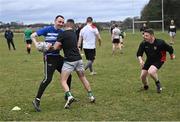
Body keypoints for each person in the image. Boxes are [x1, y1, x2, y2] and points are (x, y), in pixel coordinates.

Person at [49, 19, 95, 109]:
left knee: (63, 80)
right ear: (72, 26)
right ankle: (91, 96)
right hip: (79, 60)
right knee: (83, 78)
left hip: (69, 61)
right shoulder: (74, 33)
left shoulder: (62, 34)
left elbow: (55, 47)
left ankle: (69, 96)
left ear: (66, 25)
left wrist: (46, 47)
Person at [31, 15, 72, 112]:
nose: (61, 24)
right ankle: (36, 100)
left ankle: (68, 96)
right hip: (49, 58)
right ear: (55, 21)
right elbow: (32, 35)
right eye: (59, 21)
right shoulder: (47, 29)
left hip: (57, 57)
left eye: (62, 22)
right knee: (47, 79)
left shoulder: (62, 32)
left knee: (69, 75)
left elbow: (61, 46)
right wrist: (37, 45)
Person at [136, 29, 175, 93]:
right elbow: (139, 54)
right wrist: (140, 60)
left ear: (152, 36)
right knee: (143, 76)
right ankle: (146, 87)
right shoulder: (143, 43)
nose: (144, 37)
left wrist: (171, 55)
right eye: (144, 35)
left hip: (159, 59)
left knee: (151, 71)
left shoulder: (160, 42)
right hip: (149, 60)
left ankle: (158, 84)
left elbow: (170, 48)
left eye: (146, 35)